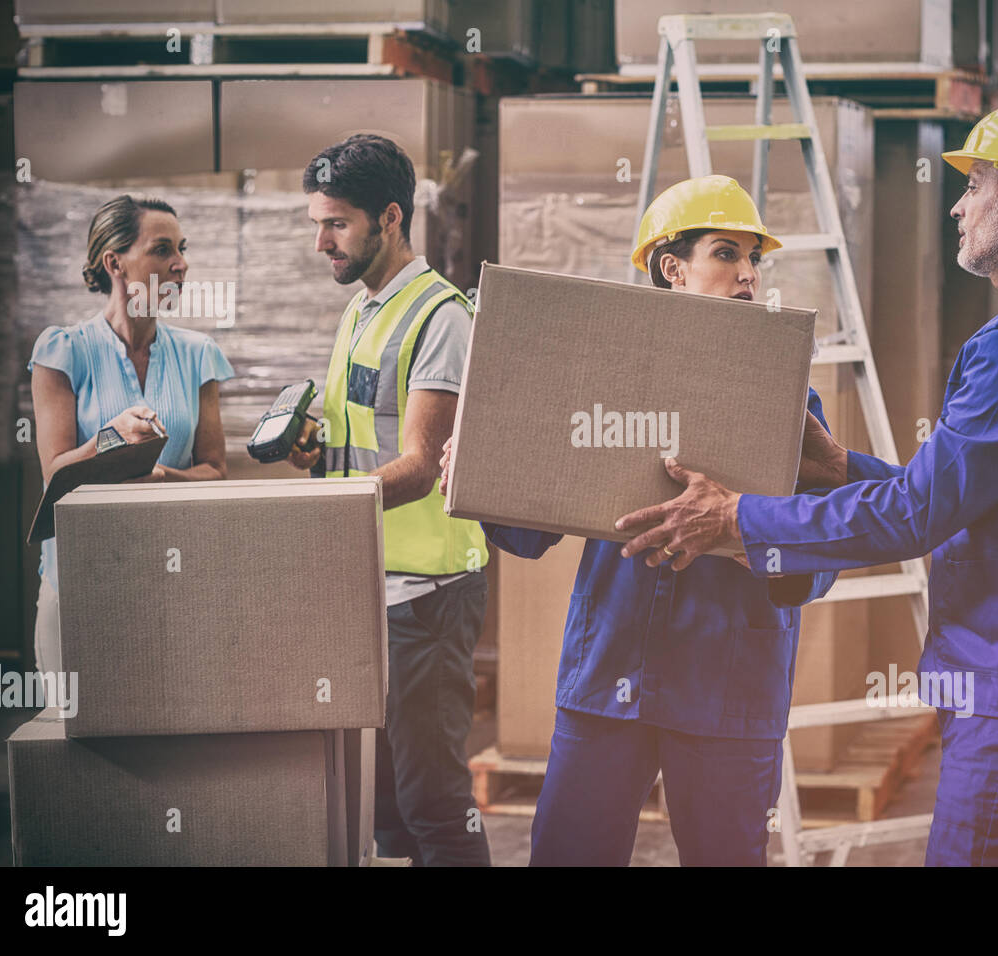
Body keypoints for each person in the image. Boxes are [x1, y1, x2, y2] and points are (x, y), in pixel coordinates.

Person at [617, 100, 998, 866]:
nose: (958, 203)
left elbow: (917, 514)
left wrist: (739, 519)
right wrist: (840, 468)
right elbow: (970, 498)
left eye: (976, 183)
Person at [441, 175, 839, 866]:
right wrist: (476, 472)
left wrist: (745, 536)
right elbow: (530, 529)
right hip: (610, 675)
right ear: (672, 268)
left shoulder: (788, 400)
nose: (747, 276)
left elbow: (821, 555)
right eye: (726, 254)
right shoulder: (605, 387)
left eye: (754, 259)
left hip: (726, 687)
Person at [289, 134, 491, 867]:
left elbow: (421, 464)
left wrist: (320, 510)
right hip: (373, 589)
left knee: (432, 803)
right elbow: (360, 443)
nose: (322, 243)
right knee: (381, 808)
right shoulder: (364, 309)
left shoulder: (439, 317)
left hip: (429, 597)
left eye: (336, 223)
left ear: (392, 218)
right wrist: (316, 452)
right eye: (317, 222)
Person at [28, 194, 234, 676]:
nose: (181, 264)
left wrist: (164, 478)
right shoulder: (62, 352)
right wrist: (110, 438)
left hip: (173, 581)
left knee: (166, 735)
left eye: (182, 249)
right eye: (162, 250)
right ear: (114, 262)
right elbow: (55, 472)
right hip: (80, 581)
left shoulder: (198, 354)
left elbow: (216, 471)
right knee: (76, 738)